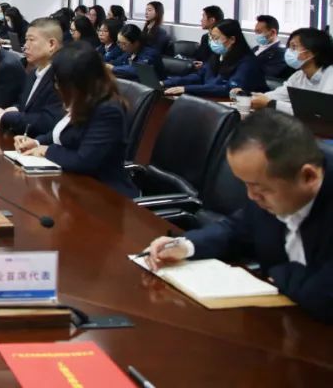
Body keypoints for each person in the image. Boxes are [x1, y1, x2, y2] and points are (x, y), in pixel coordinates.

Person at [142, 111, 332, 323]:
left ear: (308, 177)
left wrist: (278, 274)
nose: (251, 196)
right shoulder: (274, 187)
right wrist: (185, 246)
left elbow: (323, 298)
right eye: (246, 185)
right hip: (275, 323)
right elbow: (236, 229)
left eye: (259, 188)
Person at [14, 43, 138, 198]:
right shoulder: (84, 100)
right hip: (74, 185)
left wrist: (46, 150)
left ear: (78, 82)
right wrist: (36, 142)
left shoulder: (108, 110)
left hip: (103, 195)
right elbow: (62, 132)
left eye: (60, 82)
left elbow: (84, 160)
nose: (57, 87)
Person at [0, 17, 65, 136]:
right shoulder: (33, 72)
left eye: (31, 40)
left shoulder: (61, 77)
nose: (25, 46)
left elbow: (48, 121)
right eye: (26, 40)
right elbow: (24, 104)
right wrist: (15, 109)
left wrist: (5, 116)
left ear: (51, 44)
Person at [163, 19, 266, 97]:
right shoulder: (217, 55)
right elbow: (199, 76)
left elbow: (228, 89)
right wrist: (167, 83)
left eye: (216, 38)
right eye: (211, 38)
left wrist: (187, 89)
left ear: (232, 39)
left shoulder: (247, 62)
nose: (212, 42)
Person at [249, 29, 333, 114]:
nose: (289, 51)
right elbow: (278, 94)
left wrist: (271, 103)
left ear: (311, 53)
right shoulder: (298, 76)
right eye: (289, 47)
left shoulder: (330, 76)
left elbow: (318, 112)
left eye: (294, 47)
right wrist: (247, 96)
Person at [252, 15, 291, 81]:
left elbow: (267, 74)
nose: (256, 35)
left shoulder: (281, 53)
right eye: (255, 32)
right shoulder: (256, 48)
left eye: (259, 32)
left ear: (273, 32)